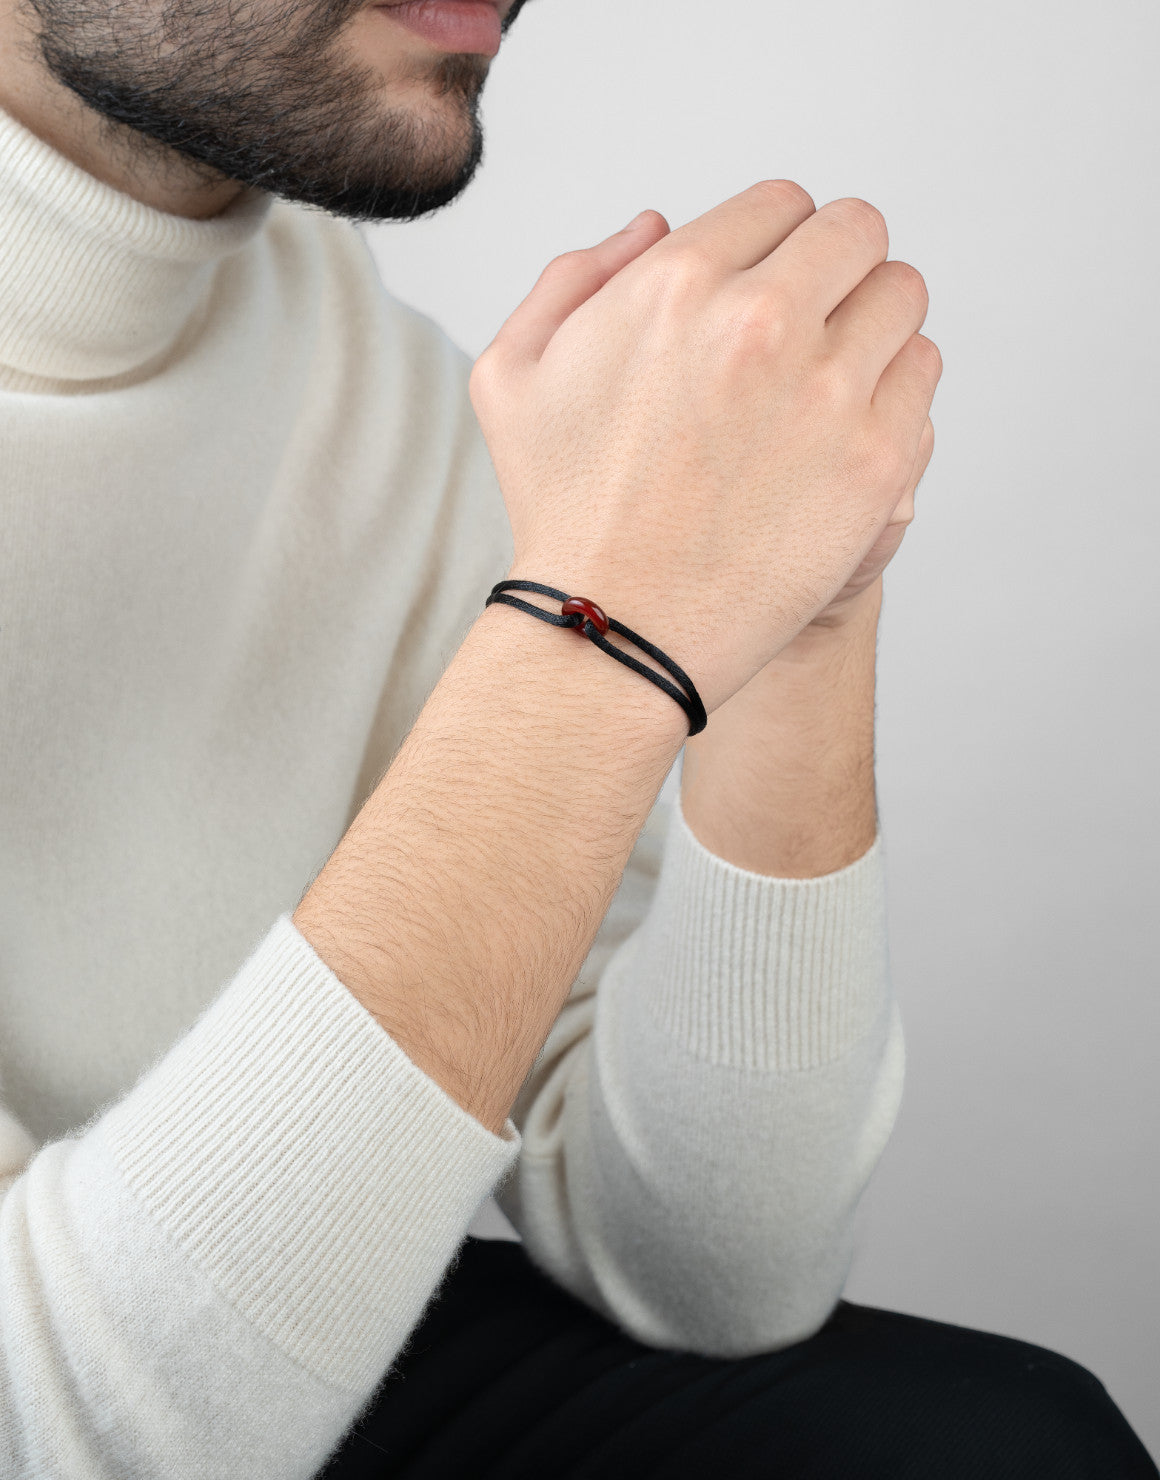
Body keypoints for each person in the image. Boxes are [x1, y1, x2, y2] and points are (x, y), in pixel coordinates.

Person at [0, 0, 1153, 1473]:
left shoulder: (360, 371)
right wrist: (595, 633)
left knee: (996, 1450)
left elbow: (715, 1269)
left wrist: (798, 597)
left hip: (225, 1355)